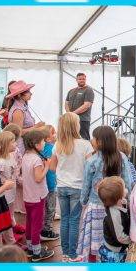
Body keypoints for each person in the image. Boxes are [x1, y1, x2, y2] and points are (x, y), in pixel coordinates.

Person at [76, 126, 135, 262]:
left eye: (94, 138)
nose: (92, 140)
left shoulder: (92, 161)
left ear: (100, 142)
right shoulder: (122, 157)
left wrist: (83, 201)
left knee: (92, 244)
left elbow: (86, 186)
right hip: (115, 205)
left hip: (95, 206)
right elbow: (128, 182)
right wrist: (127, 201)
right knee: (111, 239)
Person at [54, 112, 94, 262]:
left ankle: (65, 253)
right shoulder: (85, 145)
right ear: (75, 126)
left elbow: (52, 166)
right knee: (74, 220)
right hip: (77, 187)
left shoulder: (58, 144)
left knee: (65, 219)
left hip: (61, 186)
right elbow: (91, 169)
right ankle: (72, 254)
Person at [19, 128, 58, 261]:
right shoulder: (36, 160)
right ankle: (37, 252)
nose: (44, 144)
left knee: (29, 222)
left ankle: (30, 247)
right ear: (36, 144)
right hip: (37, 197)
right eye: (42, 142)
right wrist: (46, 166)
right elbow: (38, 178)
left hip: (28, 196)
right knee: (37, 224)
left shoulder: (25, 156)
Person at [97, 176, 130, 263]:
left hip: (117, 249)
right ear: (118, 196)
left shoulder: (117, 203)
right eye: (124, 188)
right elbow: (120, 237)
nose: (126, 189)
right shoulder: (114, 214)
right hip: (114, 253)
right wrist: (133, 240)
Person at [39, 125, 60, 244]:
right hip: (51, 184)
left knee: (43, 208)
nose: (55, 135)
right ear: (47, 138)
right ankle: (47, 231)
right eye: (53, 133)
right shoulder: (52, 148)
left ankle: (41, 228)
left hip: (42, 184)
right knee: (51, 208)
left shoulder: (39, 149)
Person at [65, 72, 95, 140]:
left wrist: (73, 114)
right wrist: (69, 114)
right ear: (76, 80)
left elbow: (86, 105)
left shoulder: (88, 90)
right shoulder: (71, 91)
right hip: (71, 119)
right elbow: (66, 103)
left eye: (83, 79)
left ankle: (86, 150)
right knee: (72, 138)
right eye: (80, 79)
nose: (82, 80)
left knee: (84, 138)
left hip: (82, 120)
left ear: (85, 79)